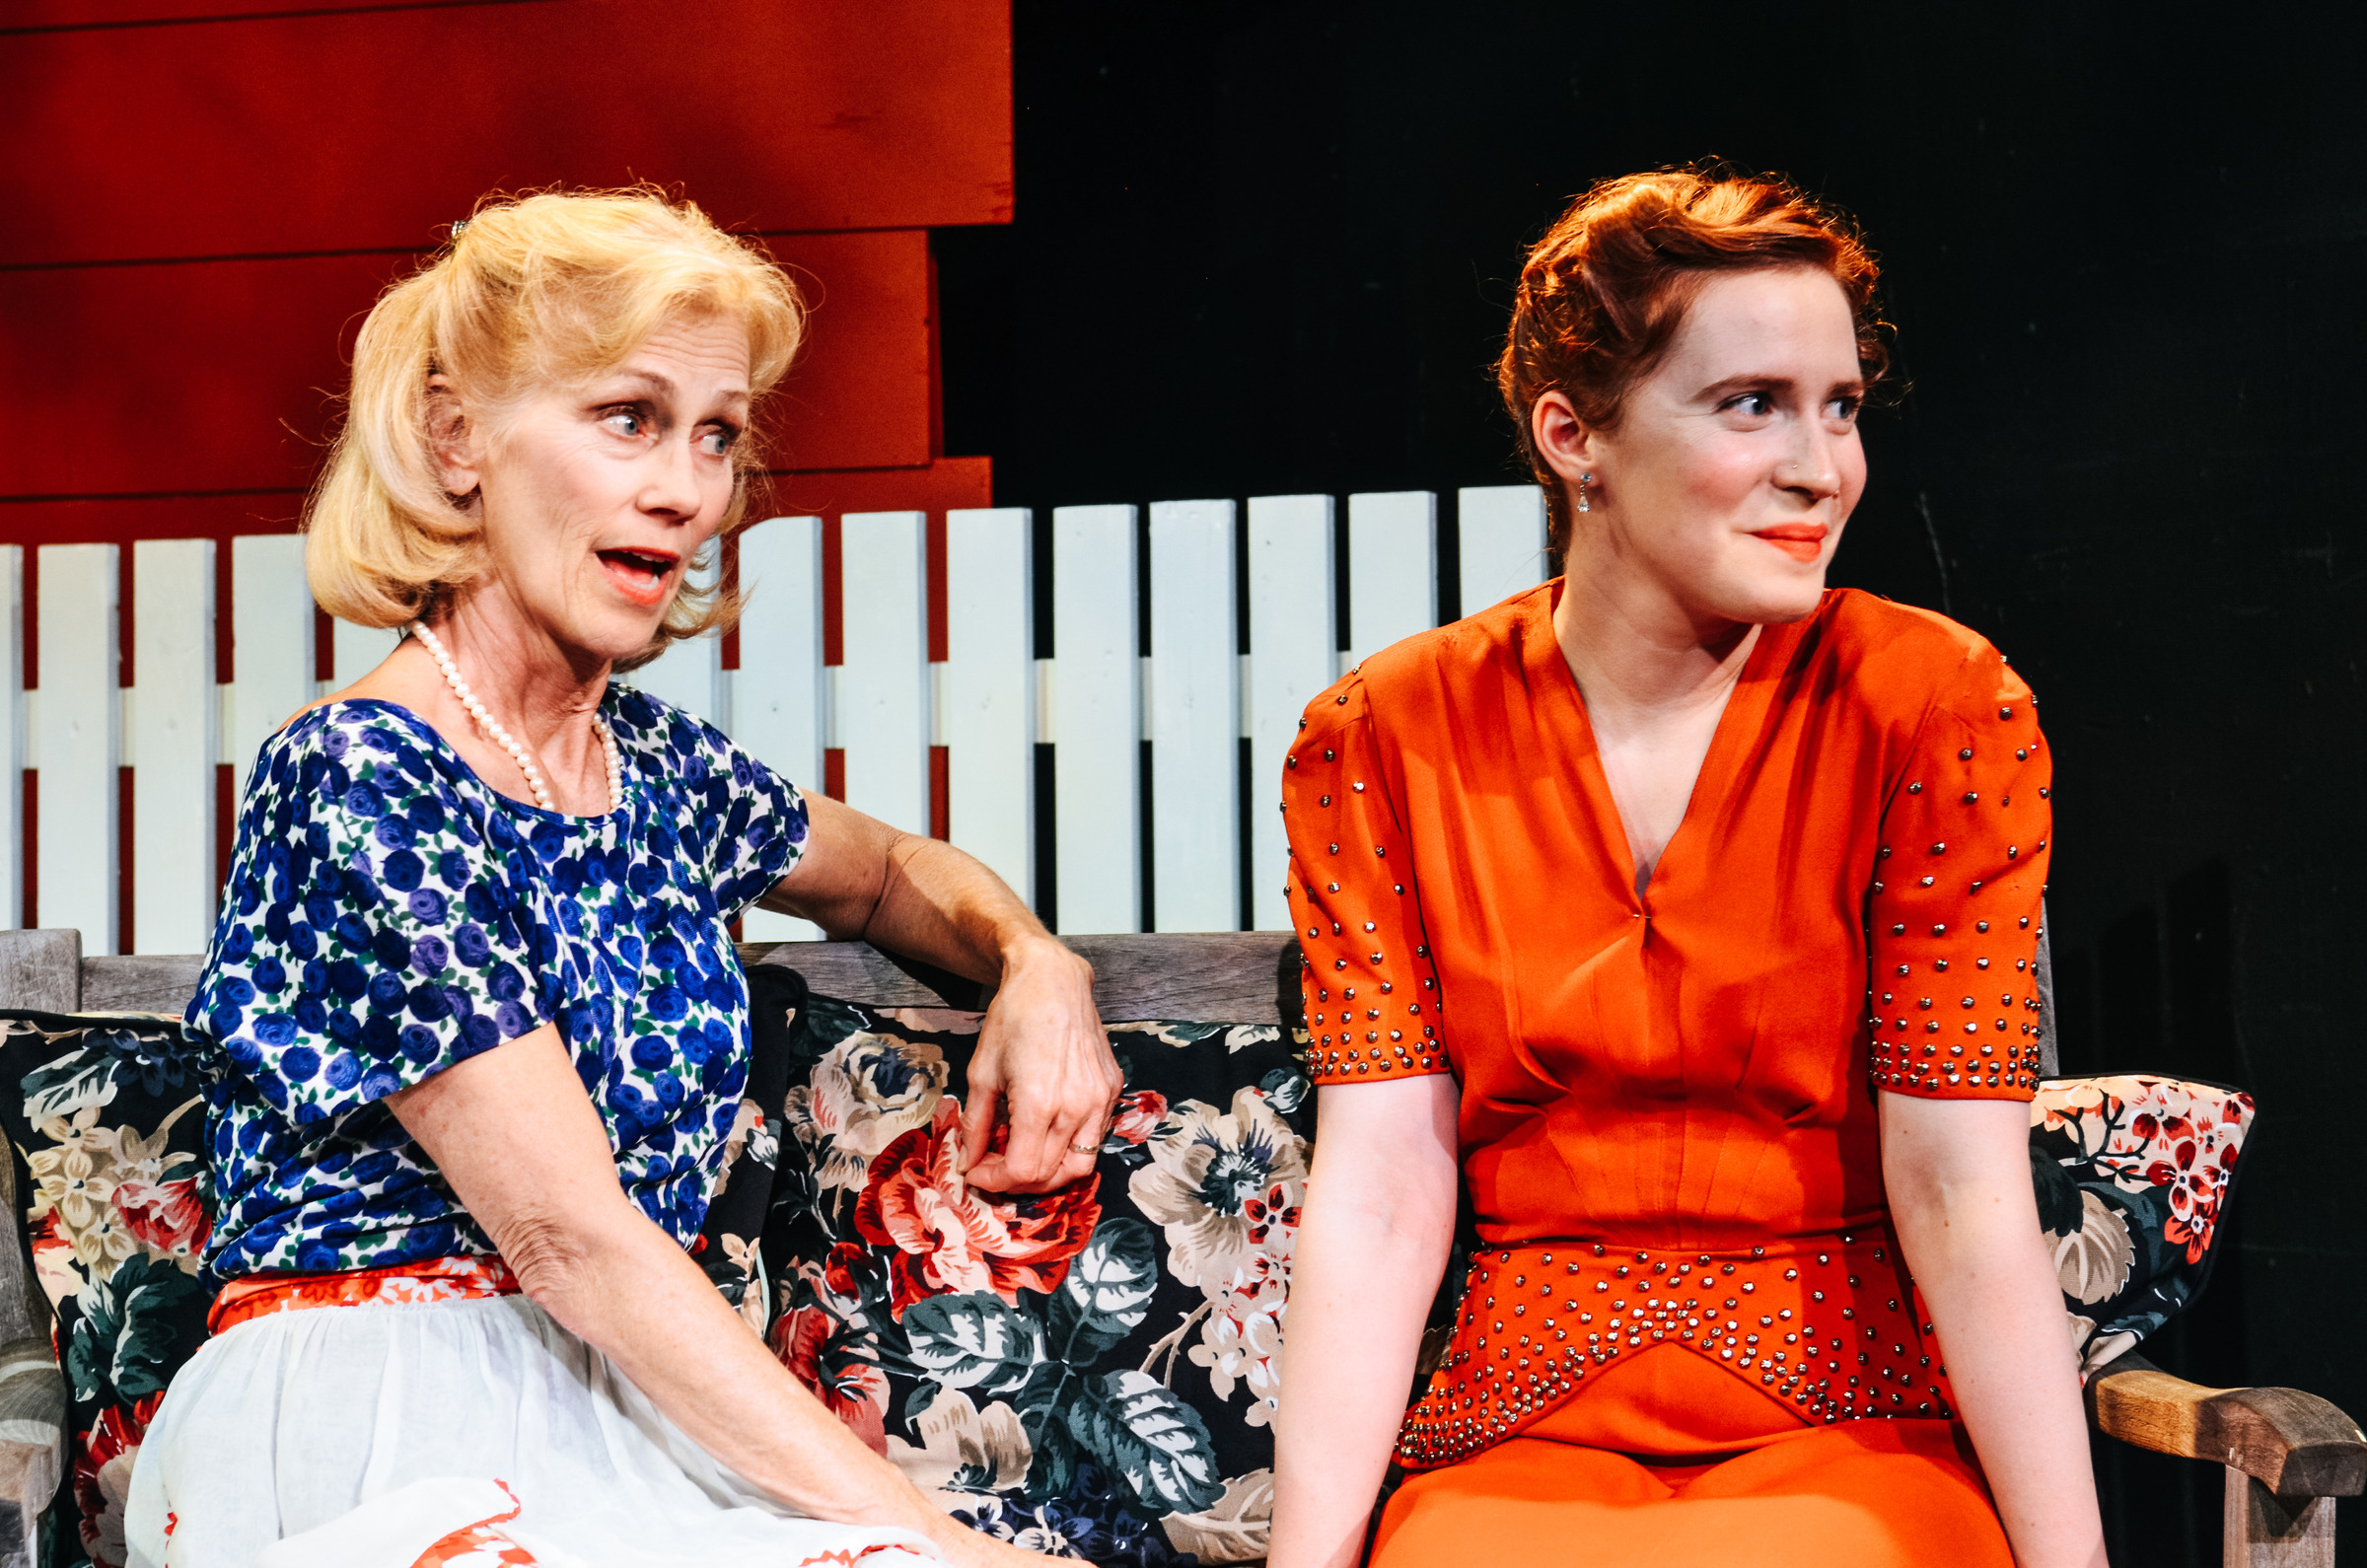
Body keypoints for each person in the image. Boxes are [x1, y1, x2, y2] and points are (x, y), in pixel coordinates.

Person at [126, 188, 1120, 1567]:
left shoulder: (657, 769)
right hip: (383, 1416)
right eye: (629, 418)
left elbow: (893, 870)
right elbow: (569, 1239)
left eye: (716, 433)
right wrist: (940, 1538)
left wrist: (1035, 961)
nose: (688, 491)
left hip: (618, 1406)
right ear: (456, 438)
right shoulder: (362, 775)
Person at [1266, 170, 2108, 1568]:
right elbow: (1382, 1195)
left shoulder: (1934, 707)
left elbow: (1961, 1193)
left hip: (1851, 1428)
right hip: (1523, 1435)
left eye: (1840, 406)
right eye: (1752, 403)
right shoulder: (1386, 734)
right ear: (1573, 437)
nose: (1822, 466)